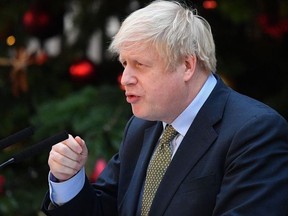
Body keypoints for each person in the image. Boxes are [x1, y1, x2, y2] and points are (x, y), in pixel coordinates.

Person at [41, 1, 288, 215]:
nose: (125, 78)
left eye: (139, 64)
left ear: (187, 65)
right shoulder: (141, 126)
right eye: (125, 63)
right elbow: (105, 209)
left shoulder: (255, 131)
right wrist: (68, 179)